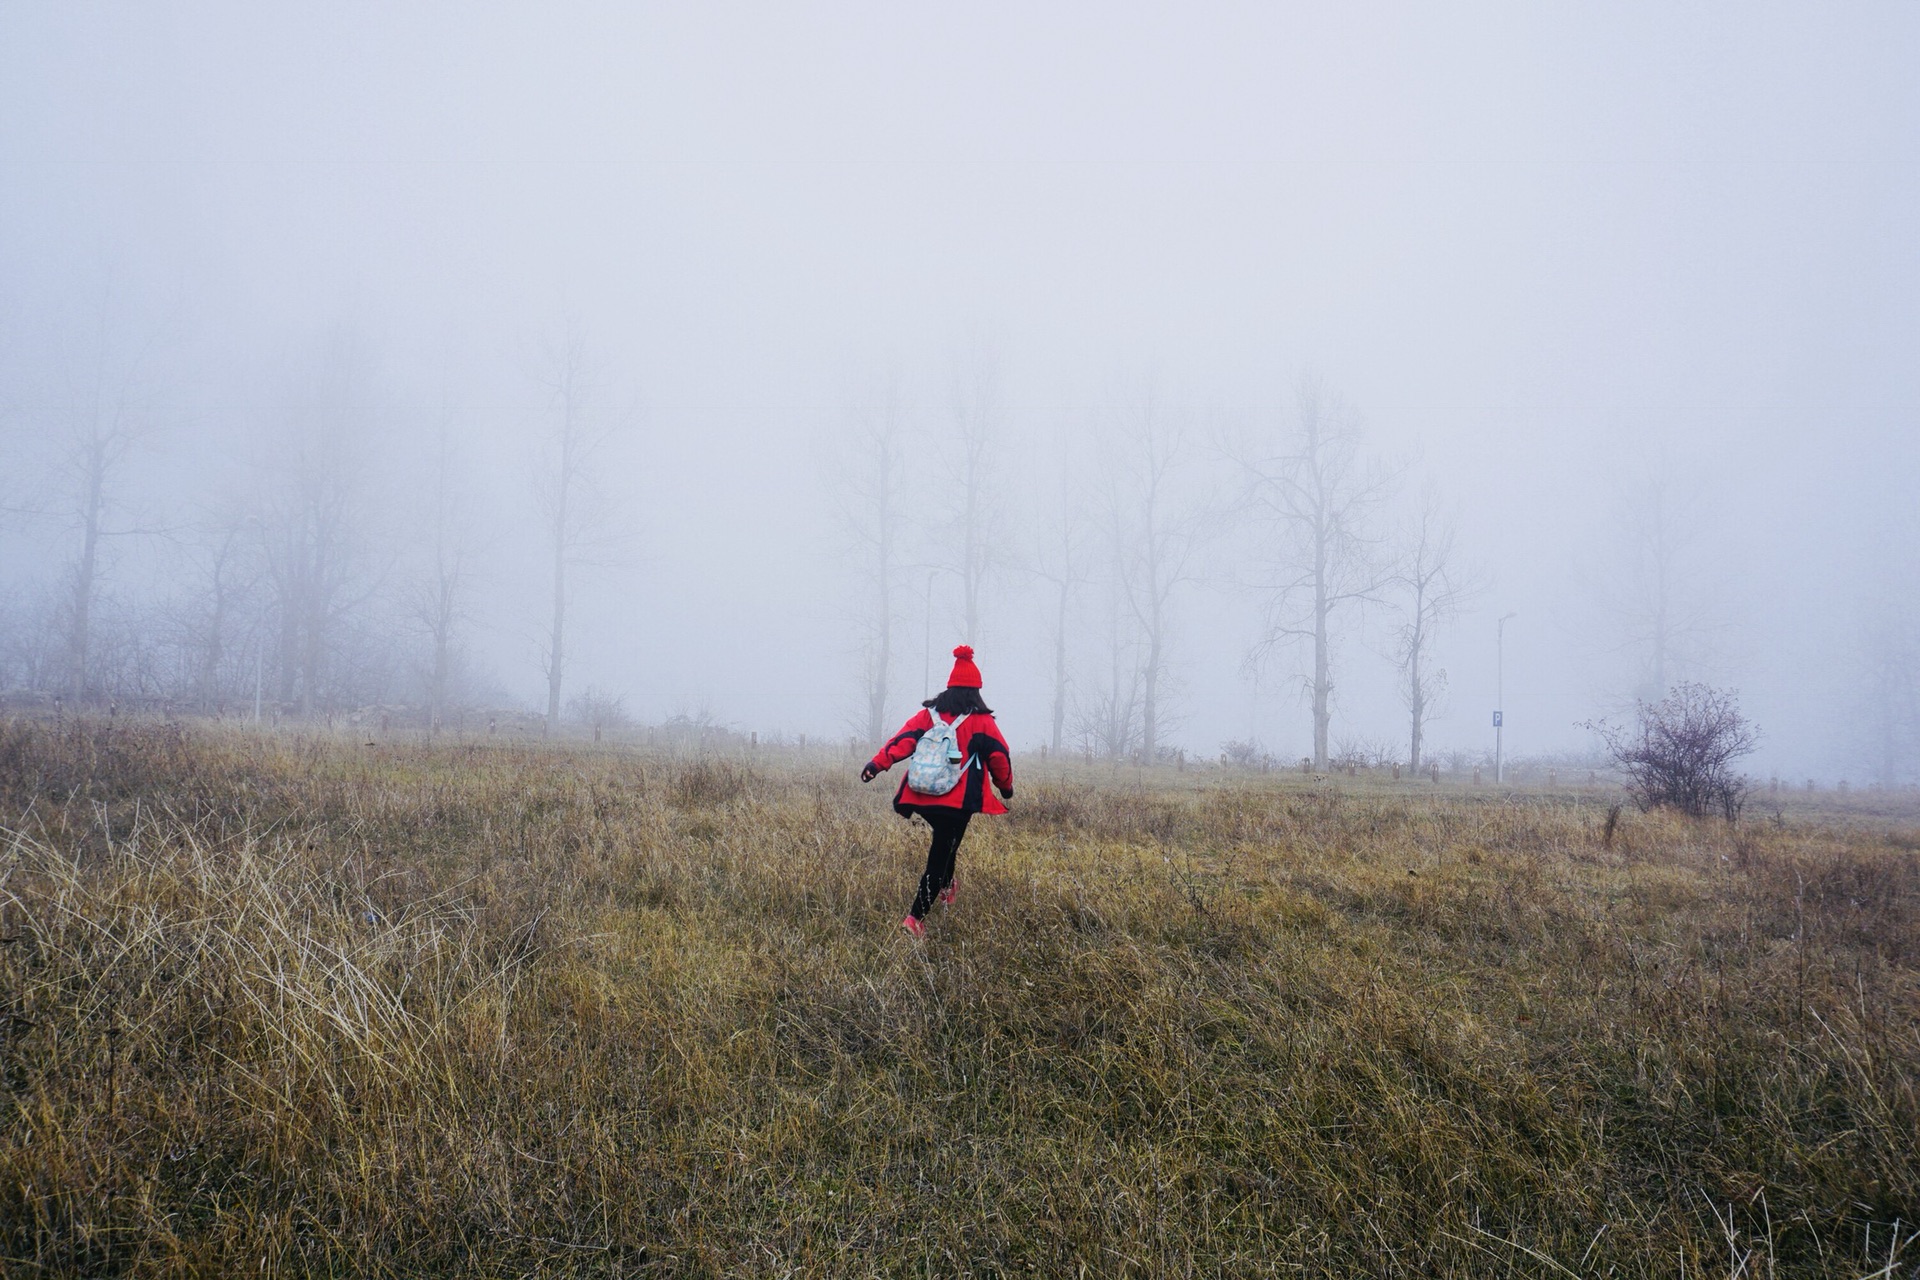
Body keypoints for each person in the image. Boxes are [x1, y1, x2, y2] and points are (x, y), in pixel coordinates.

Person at [860, 645, 1013, 937]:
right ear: (975, 692)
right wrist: (1006, 788)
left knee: (948, 842)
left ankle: (946, 887)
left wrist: (876, 765)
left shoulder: (928, 716)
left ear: (950, 688)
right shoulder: (982, 723)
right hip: (958, 803)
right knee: (941, 853)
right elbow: (1000, 758)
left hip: (923, 796)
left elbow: (901, 741)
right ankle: (915, 918)